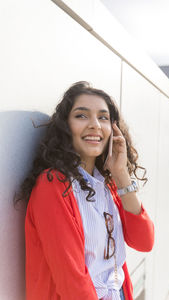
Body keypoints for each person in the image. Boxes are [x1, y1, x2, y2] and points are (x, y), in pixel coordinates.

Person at [14, 81, 154, 300]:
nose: (95, 125)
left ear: (113, 129)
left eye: (103, 117)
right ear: (66, 126)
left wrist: (121, 174)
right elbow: (72, 283)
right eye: (81, 115)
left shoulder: (107, 184)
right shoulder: (53, 185)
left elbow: (144, 241)